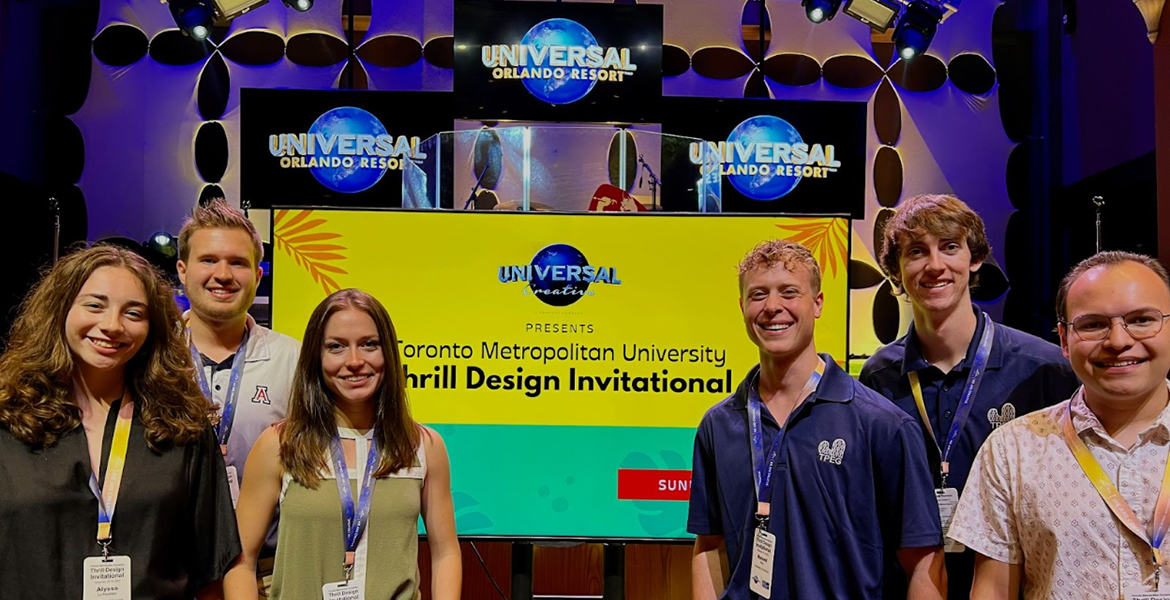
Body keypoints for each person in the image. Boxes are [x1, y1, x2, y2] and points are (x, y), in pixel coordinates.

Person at [688, 239, 946, 600]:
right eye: (758, 294)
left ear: (818, 303)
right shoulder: (718, 425)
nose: (772, 307)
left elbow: (922, 561)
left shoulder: (883, 425)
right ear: (742, 306)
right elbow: (710, 545)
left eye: (789, 292)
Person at [860, 194, 1078, 597]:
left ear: (974, 259)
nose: (935, 265)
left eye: (949, 247)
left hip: (1017, 580)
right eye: (916, 252)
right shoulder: (878, 376)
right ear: (897, 270)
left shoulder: (1043, 368)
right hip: (912, 581)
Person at [0, 245, 240, 599]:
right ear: (60, 310)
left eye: (133, 313)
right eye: (95, 305)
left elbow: (210, 574)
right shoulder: (8, 418)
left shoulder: (183, 427)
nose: (112, 326)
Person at [949, 251, 1170, 599]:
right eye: (1093, 324)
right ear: (1064, 341)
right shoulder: (1013, 450)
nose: (1118, 341)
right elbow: (992, 590)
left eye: (1142, 319)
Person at [224, 288, 461, 600]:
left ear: (387, 352)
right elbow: (241, 561)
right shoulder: (278, 445)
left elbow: (445, 553)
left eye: (369, 345)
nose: (354, 361)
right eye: (336, 347)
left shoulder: (424, 446)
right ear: (316, 357)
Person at [177, 198, 300, 587]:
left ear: (258, 275)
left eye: (238, 262)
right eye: (209, 260)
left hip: (267, 574)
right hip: (169, 578)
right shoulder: (152, 358)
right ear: (183, 270)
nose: (223, 274)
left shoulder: (292, 360)